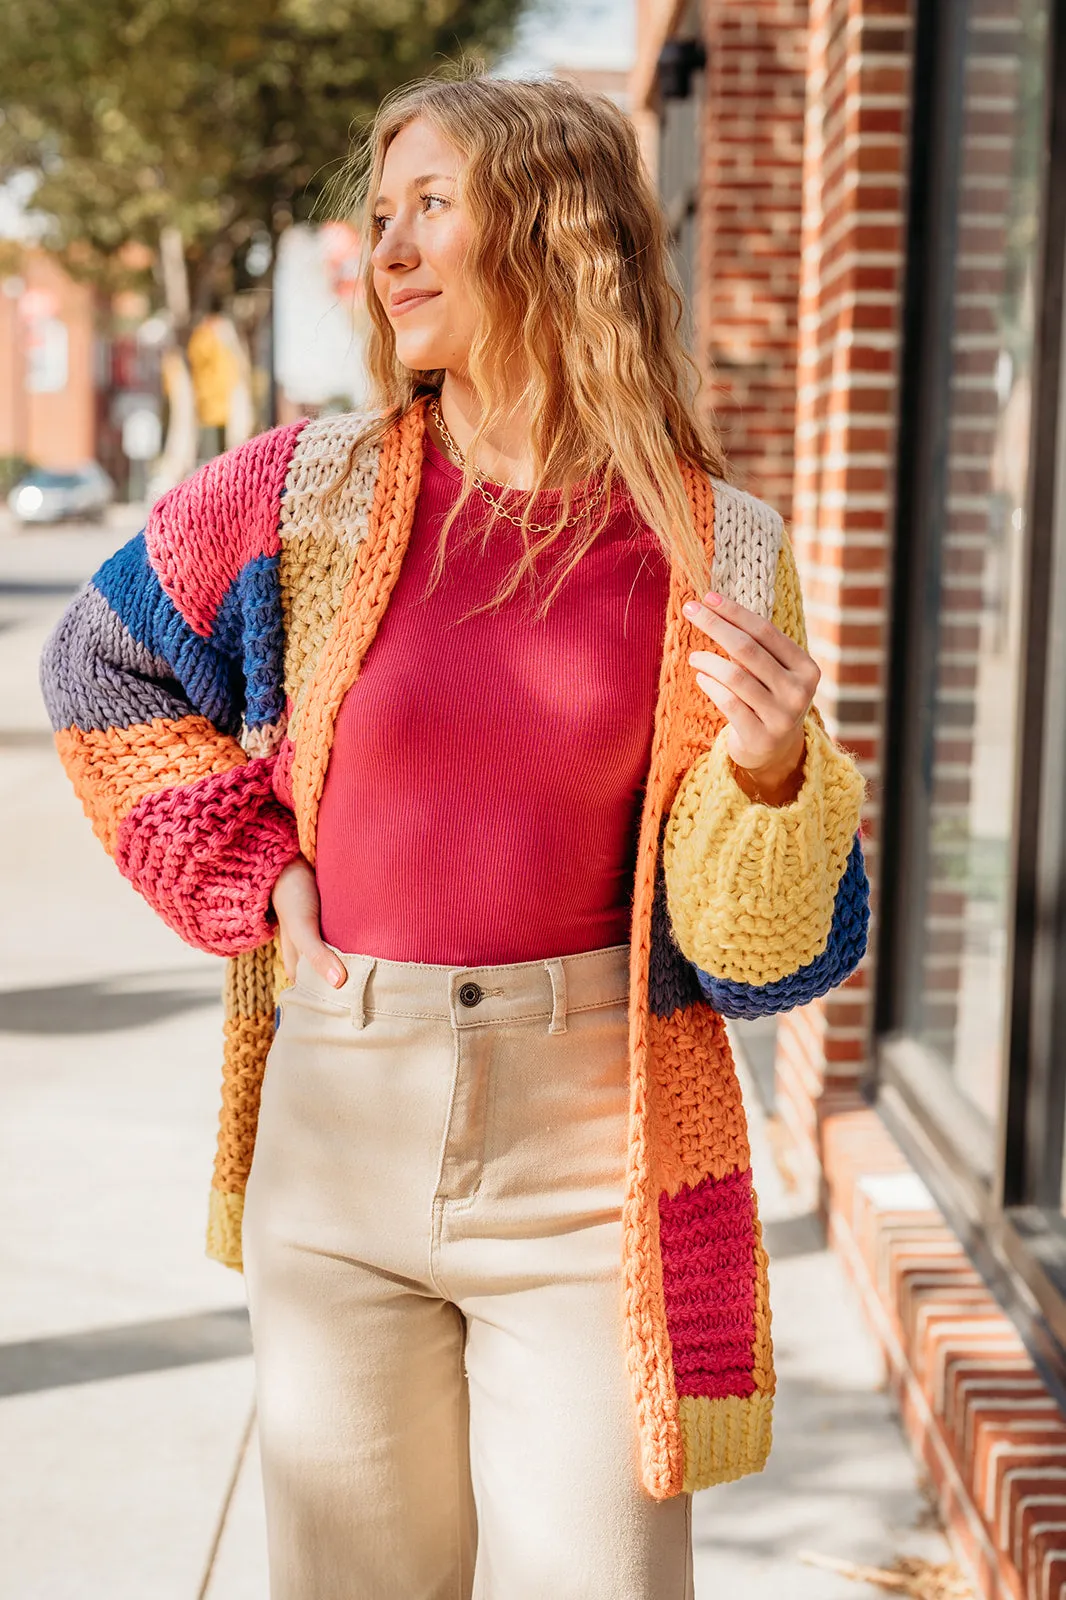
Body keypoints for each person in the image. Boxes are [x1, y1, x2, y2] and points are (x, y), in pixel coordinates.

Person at [40, 68, 869, 1600]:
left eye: (432, 206)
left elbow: (755, 959)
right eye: (379, 217)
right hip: (338, 1122)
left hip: (589, 1161)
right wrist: (247, 867)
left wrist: (767, 776)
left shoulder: (717, 543)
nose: (390, 252)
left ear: (555, 232)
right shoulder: (305, 493)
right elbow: (100, 666)